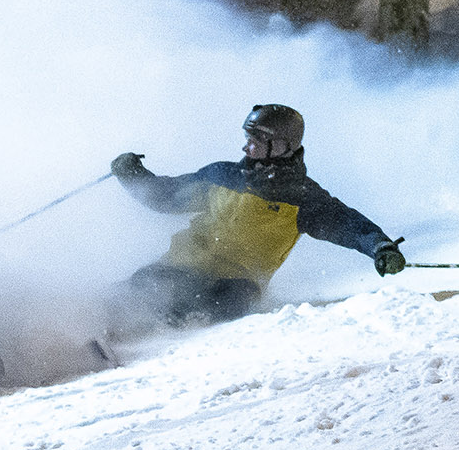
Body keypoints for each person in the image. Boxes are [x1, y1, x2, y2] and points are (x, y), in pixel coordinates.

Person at [109, 104, 405, 327]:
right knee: (141, 289)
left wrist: (380, 247)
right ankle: (97, 332)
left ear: (279, 147)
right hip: (182, 264)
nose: (246, 148)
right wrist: (133, 175)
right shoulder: (222, 175)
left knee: (212, 305)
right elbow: (165, 196)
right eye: (247, 139)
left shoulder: (302, 198)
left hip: (235, 283)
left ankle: (160, 345)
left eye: (255, 142)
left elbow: (347, 224)